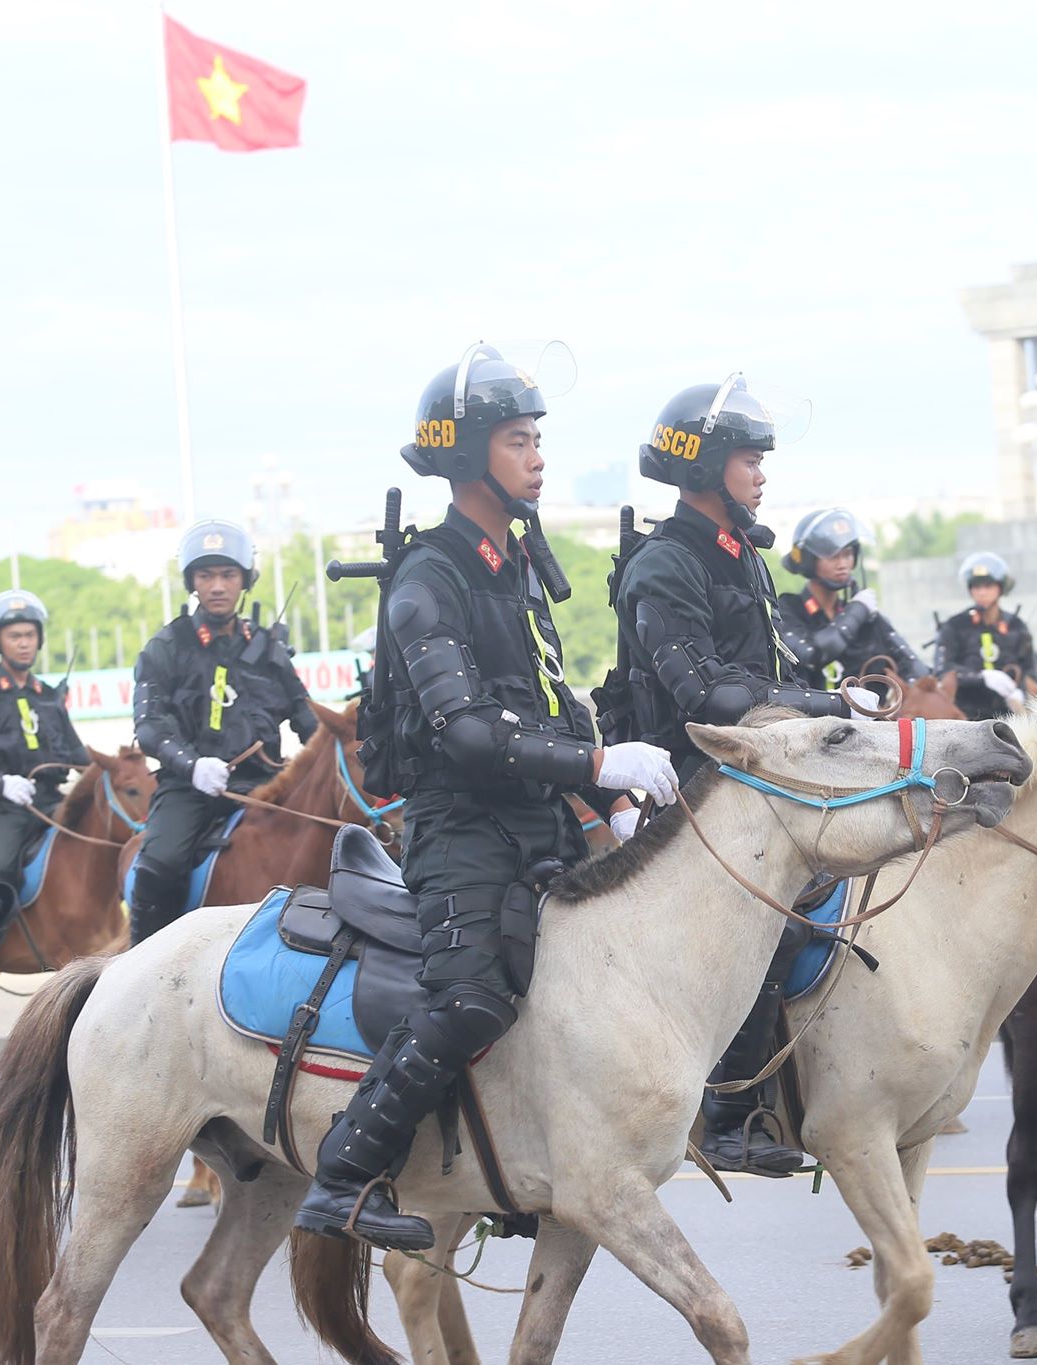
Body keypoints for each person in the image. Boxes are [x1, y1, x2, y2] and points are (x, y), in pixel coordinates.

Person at [294, 343, 677, 1251]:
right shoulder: (430, 577)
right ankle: (345, 1176)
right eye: (517, 440)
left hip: (538, 824)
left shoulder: (519, 565)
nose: (538, 456)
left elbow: (550, 704)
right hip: (459, 829)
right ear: (468, 455)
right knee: (471, 998)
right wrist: (599, 764)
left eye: (537, 438)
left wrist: (612, 806)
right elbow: (466, 730)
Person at [613, 374, 853, 1177]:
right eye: (748, 460)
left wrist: (842, 703)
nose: (760, 474)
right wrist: (828, 704)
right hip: (697, 780)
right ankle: (729, 1114)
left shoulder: (742, 555)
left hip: (761, 776)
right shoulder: (664, 565)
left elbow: (770, 673)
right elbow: (707, 696)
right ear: (704, 468)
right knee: (775, 920)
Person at [128, 519, 316, 944]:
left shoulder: (269, 649)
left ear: (245, 580)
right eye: (206, 575)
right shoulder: (165, 646)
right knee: (160, 863)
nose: (217, 586)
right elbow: (150, 724)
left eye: (228, 574)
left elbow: (307, 719)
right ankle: (139, 961)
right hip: (188, 787)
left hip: (266, 783)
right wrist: (192, 765)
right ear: (191, 582)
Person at [0, 589, 88, 969]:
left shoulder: (49, 696)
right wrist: (2, 783)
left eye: (30, 635)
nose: (24, 643)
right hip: (4, 807)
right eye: (15, 636)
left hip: (53, 801)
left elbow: (78, 754)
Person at [775, 507, 929, 696]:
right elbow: (812, 654)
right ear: (808, 560)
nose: (843, 564)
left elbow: (917, 669)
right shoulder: (789, 609)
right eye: (833, 556)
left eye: (847, 554)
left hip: (872, 715)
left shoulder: (865, 616)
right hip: (810, 715)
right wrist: (857, 609)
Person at [935, 553, 1034, 720]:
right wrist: (981, 677)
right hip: (965, 716)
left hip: (1010, 716)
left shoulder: (1017, 626)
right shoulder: (955, 625)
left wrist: (1021, 693)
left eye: (988, 586)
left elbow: (1029, 672)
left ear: (1000, 587)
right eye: (976, 586)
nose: (981, 592)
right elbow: (943, 670)